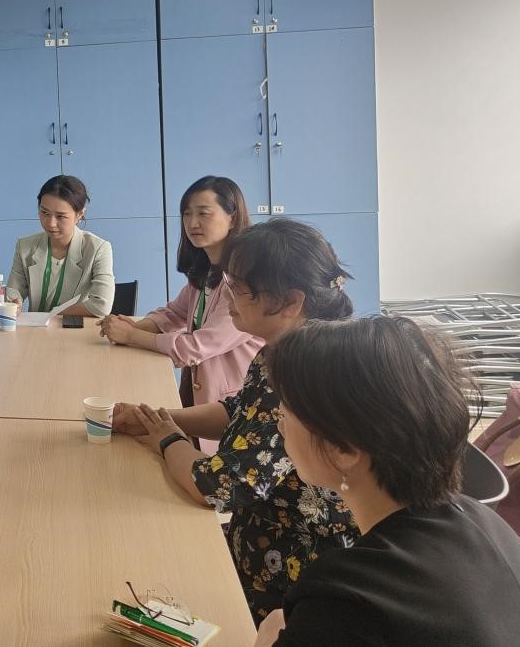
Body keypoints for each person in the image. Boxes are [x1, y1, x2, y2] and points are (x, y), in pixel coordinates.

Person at [113, 219, 359, 622]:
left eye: (240, 288)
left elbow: (217, 486)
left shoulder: (306, 372)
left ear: (290, 302)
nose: (226, 297)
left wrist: (167, 440)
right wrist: (160, 419)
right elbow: (239, 412)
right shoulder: (282, 348)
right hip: (258, 535)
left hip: (295, 571)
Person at [256, 316, 520, 646]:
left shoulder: (344, 600)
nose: (280, 425)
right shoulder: (486, 521)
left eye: (286, 413)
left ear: (344, 449)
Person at [100, 176, 261, 441]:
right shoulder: (206, 271)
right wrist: (135, 326)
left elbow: (194, 348)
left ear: (233, 218)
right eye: (187, 214)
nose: (192, 223)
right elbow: (174, 312)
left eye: (203, 213)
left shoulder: (242, 282)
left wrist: (131, 336)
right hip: (196, 393)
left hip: (232, 407)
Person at [5, 175, 114, 317]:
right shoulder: (25, 246)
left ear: (79, 214)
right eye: (45, 213)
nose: (51, 223)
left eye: (61, 216)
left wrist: (54, 314)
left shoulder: (98, 249)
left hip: (73, 327)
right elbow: (13, 292)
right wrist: (15, 302)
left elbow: (102, 305)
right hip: (36, 329)